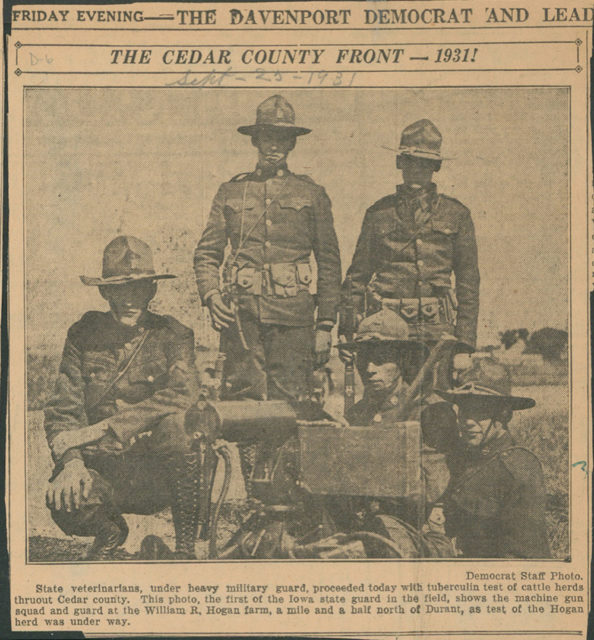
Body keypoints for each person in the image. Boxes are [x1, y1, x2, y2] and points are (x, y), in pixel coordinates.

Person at [44, 236, 201, 560]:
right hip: (102, 469)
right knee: (64, 497)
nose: (130, 299)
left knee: (181, 428)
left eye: (139, 288)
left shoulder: (173, 334)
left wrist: (108, 427)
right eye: (120, 289)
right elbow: (63, 408)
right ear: (105, 292)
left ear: (151, 291)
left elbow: (183, 392)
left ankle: (186, 549)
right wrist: (72, 462)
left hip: (156, 472)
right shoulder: (83, 334)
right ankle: (109, 534)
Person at [194, 94, 341, 402]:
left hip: (294, 319)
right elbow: (207, 253)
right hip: (242, 317)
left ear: (292, 144)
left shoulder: (311, 193)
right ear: (255, 141)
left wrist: (325, 325)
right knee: (241, 402)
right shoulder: (231, 191)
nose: (274, 145)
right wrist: (211, 295)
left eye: (282, 138)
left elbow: (329, 263)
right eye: (267, 137)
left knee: (292, 403)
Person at [340, 119, 479, 363]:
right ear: (399, 163)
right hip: (385, 331)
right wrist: (347, 330)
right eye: (410, 162)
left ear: (435, 167)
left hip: (438, 332)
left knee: (437, 400)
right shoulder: (378, 213)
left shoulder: (456, 214)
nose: (417, 170)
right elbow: (357, 277)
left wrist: (465, 344)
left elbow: (468, 281)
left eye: (425, 164)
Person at [436, 358, 551, 558]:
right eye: (464, 410)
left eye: (480, 411)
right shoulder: (463, 456)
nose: (468, 421)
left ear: (504, 414)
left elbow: (524, 555)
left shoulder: (518, 468)